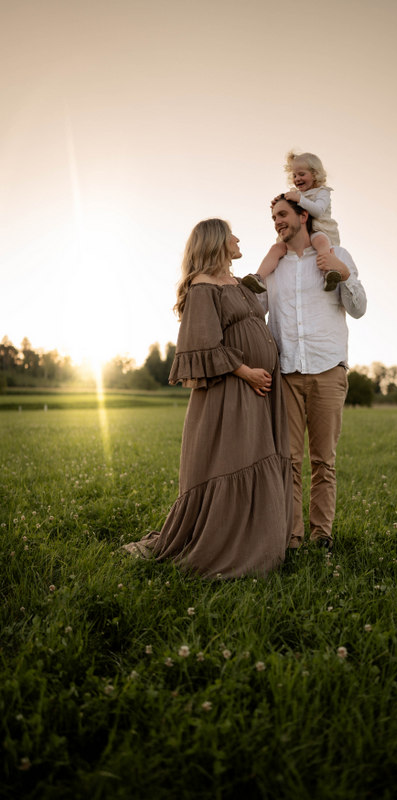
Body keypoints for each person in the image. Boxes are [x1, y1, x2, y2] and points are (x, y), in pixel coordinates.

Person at [122, 218, 293, 578]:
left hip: (260, 389)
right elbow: (201, 345)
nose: (237, 238)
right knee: (238, 459)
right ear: (217, 241)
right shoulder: (202, 286)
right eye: (232, 234)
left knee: (259, 454)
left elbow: (255, 309)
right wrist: (245, 371)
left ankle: (260, 540)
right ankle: (231, 546)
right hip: (233, 389)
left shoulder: (233, 281)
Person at [258, 195, 367, 551]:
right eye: (274, 217)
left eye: (283, 214)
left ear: (304, 215)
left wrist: (343, 271)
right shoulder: (274, 266)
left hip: (327, 369)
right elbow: (254, 310)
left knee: (323, 461)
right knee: (287, 461)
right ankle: (291, 538)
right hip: (286, 373)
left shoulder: (335, 254)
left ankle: (321, 536)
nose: (277, 221)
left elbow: (359, 308)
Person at [242, 151, 342, 293]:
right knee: (276, 249)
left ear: (315, 174)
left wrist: (299, 200)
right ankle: (259, 277)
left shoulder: (322, 192)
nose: (297, 179)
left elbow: (319, 211)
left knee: (321, 241)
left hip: (318, 229)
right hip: (300, 233)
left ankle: (328, 272)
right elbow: (290, 208)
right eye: (294, 175)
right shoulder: (297, 193)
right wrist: (280, 202)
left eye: (302, 174)